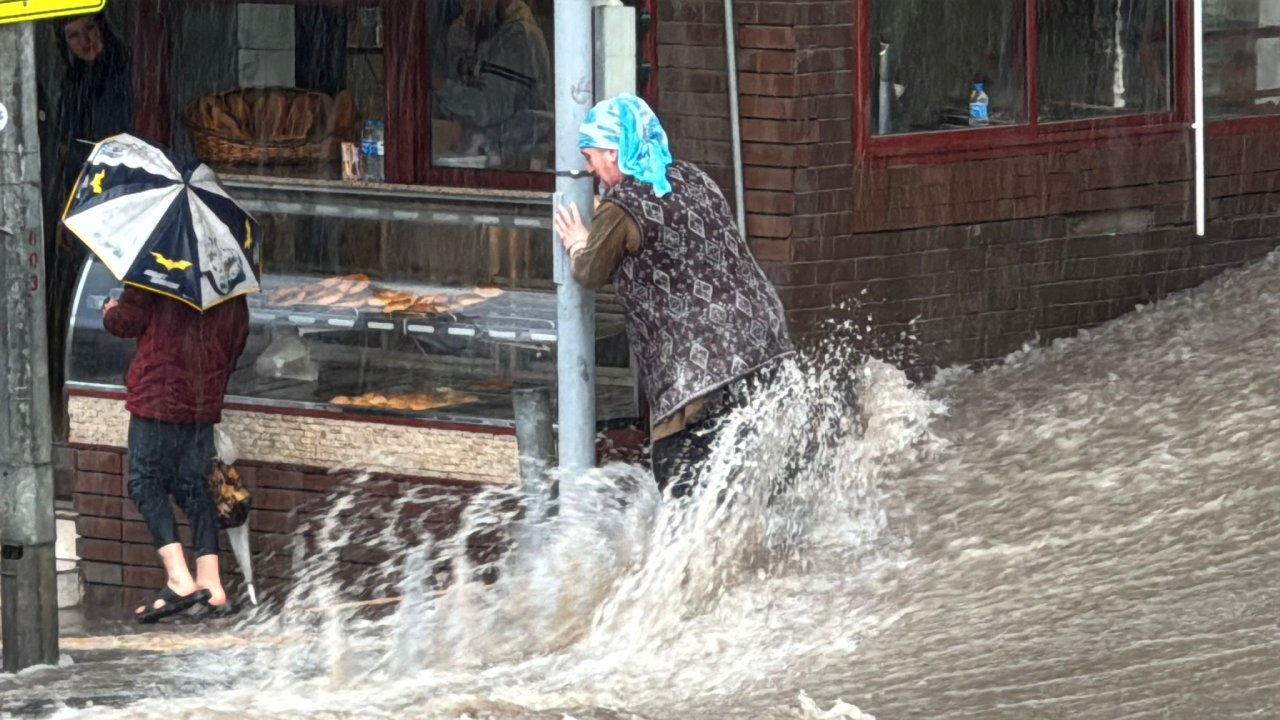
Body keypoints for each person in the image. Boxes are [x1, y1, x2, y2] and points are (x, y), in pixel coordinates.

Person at [553, 94, 795, 499]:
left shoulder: (623, 207)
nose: (590, 170)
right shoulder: (691, 177)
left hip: (697, 370)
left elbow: (590, 271)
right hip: (761, 340)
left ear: (613, 152)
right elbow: (669, 230)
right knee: (754, 474)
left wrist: (580, 242)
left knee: (683, 487)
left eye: (591, 157)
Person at [103, 289, 249, 622]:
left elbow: (126, 322)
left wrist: (111, 310)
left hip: (158, 395)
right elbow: (238, 339)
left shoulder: (158, 270)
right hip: (203, 398)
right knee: (194, 487)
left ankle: (179, 579)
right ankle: (211, 584)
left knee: (145, 483)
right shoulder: (226, 279)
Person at [45, 13, 134, 440]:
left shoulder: (125, 74)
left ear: (105, 30)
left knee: (114, 287)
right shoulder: (73, 81)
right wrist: (65, 209)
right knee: (82, 290)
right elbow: (69, 153)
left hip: (122, 196)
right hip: (83, 197)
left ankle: (108, 374)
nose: (84, 43)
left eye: (90, 31)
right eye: (73, 36)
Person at [434, 0, 552, 170]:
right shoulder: (470, 30)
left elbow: (487, 108)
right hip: (477, 157)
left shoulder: (520, 37)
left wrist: (439, 86)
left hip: (516, 166)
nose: (468, 8)